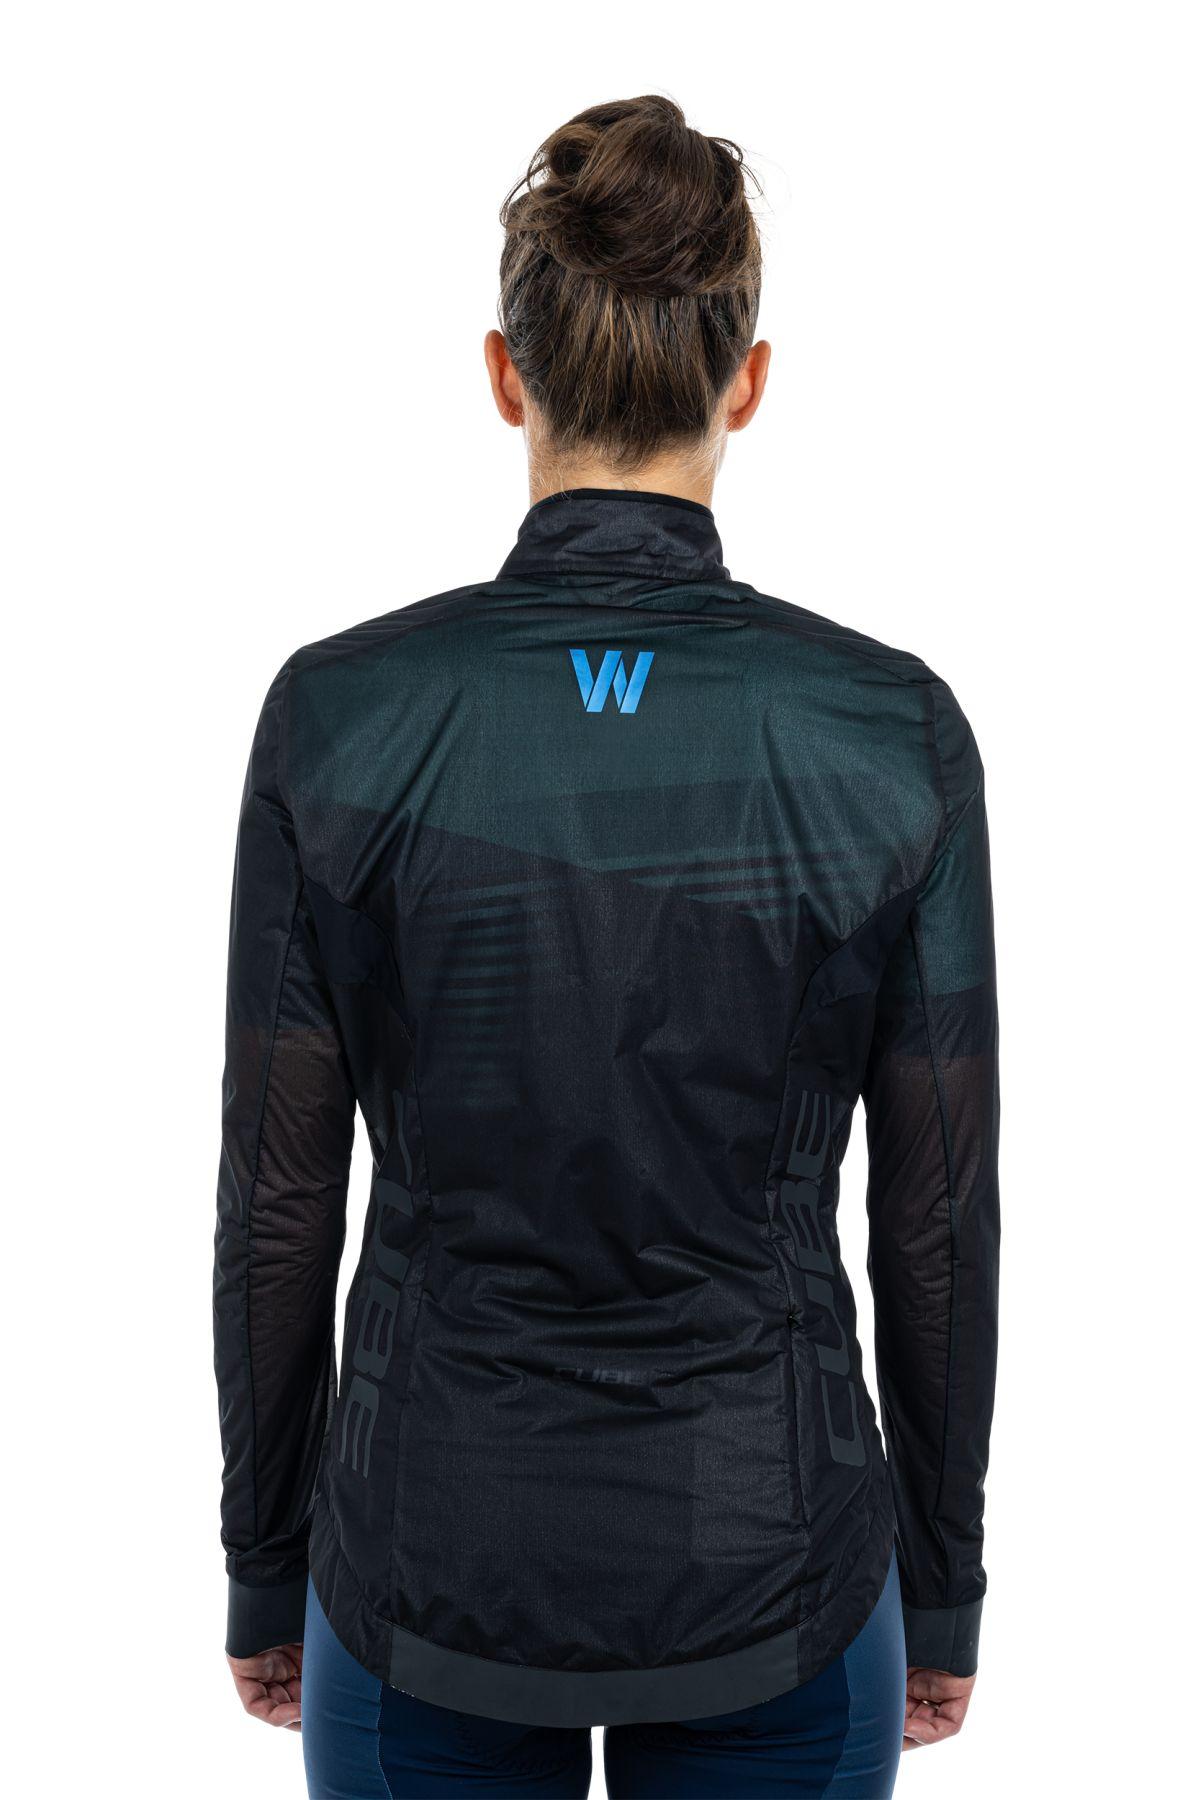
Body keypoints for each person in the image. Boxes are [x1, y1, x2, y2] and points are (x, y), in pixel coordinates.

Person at [214, 95, 999, 1799]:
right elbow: (938, 1220)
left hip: (420, 1560)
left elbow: (278, 1198)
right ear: (748, 381)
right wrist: (943, 1587)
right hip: (779, 1561)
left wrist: (265, 1561)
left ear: (508, 375)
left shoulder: (340, 717)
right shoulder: (890, 732)